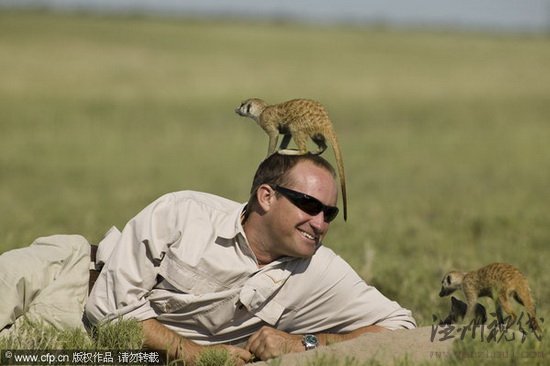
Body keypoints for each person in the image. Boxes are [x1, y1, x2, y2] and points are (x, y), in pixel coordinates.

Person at [1, 153, 416, 365]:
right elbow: (110, 309)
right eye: (308, 204)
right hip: (70, 275)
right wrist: (199, 355)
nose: (320, 221)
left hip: (111, 350)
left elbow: (401, 327)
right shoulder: (184, 213)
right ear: (266, 197)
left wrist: (305, 343)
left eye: (330, 212)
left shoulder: (320, 270)